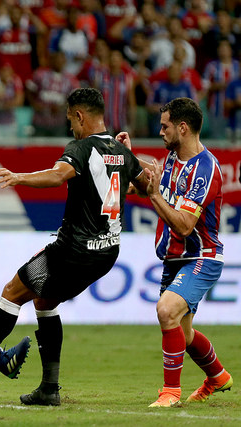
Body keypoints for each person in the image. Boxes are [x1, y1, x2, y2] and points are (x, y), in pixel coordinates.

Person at [0, 88, 148, 406]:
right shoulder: (122, 151)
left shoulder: (81, 147)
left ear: (79, 115)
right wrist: (129, 157)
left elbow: (58, 175)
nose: (70, 127)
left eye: (71, 120)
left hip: (75, 249)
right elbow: (146, 187)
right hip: (108, 251)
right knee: (44, 302)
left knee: (12, 291)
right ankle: (48, 388)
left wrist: (18, 177)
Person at [116, 97, 233, 407]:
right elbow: (151, 178)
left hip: (201, 257)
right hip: (174, 258)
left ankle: (170, 393)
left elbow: (183, 225)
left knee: (166, 310)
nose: (160, 131)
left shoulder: (206, 170)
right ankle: (218, 376)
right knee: (184, 331)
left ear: (183, 128)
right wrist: (127, 157)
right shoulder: (173, 158)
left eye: (165, 126)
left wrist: (154, 196)